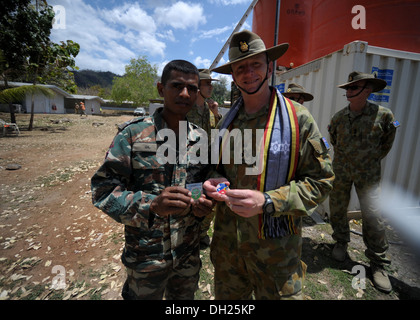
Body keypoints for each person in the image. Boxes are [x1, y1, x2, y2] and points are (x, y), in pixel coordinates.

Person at [204, 30, 334, 300]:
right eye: (241, 67)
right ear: (233, 75)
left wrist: (267, 201)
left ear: (269, 66)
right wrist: (213, 179)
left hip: (276, 256)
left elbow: (320, 182)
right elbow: (216, 168)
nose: (248, 73)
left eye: (255, 64)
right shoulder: (227, 122)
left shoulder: (298, 119)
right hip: (229, 253)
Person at [91, 60, 214, 300]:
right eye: (176, 86)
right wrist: (152, 205)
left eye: (191, 88)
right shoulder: (133, 134)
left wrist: (202, 205)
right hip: (146, 258)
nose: (184, 94)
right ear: (161, 89)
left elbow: (201, 182)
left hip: (187, 256)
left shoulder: (200, 138)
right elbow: (103, 191)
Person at [328, 71, 399, 293]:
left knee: (373, 216)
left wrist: (369, 160)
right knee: (337, 208)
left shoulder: (384, 116)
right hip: (341, 170)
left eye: (353, 87)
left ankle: (378, 264)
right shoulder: (339, 118)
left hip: (368, 174)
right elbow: (333, 140)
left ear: (367, 90)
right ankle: (340, 242)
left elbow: (387, 143)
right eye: (347, 88)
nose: (348, 92)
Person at [186, 68, 221, 249]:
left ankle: (202, 233)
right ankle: (193, 234)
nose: (211, 86)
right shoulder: (187, 109)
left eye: (211, 83)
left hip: (208, 164)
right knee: (195, 201)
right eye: (207, 83)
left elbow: (216, 136)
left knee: (210, 203)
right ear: (197, 87)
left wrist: (216, 114)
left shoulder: (208, 110)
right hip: (192, 167)